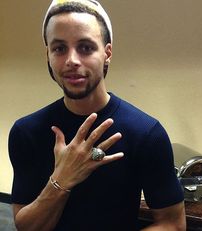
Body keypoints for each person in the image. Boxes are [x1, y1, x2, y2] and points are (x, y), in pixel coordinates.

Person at [8, 0, 186, 230]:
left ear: (107, 53)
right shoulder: (27, 132)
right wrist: (62, 179)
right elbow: (26, 227)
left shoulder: (146, 133)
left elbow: (172, 223)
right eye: (59, 48)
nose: (72, 60)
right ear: (48, 55)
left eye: (85, 47)